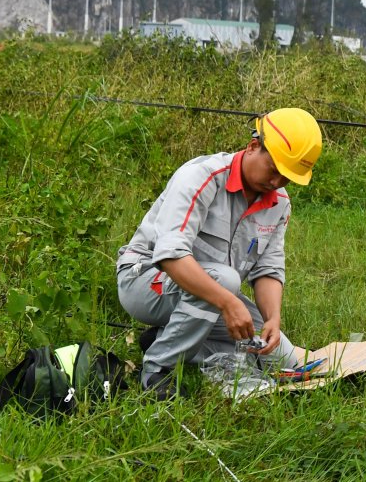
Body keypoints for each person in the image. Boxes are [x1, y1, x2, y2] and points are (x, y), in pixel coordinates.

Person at [116, 107, 324, 399]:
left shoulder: (279, 204)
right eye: (274, 170)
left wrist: (272, 319)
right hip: (144, 280)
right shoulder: (201, 176)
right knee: (225, 280)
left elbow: (268, 270)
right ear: (253, 146)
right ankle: (157, 369)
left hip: (211, 292)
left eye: (287, 178)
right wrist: (228, 302)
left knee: (281, 359)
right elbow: (170, 255)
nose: (277, 182)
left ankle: (164, 340)